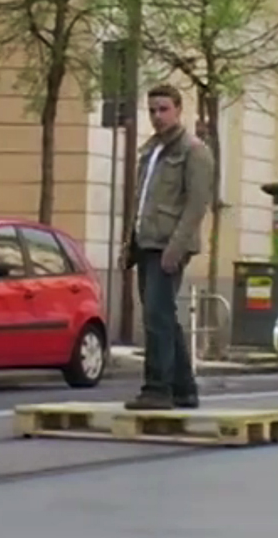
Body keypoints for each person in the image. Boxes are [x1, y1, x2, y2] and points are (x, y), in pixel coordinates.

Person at [118, 84, 214, 411]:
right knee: (163, 316)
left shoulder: (193, 150)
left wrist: (177, 246)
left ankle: (157, 388)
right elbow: (140, 200)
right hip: (146, 241)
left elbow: (197, 204)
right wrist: (129, 243)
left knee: (156, 316)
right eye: (153, 110)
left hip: (168, 244)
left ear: (178, 110)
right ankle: (184, 389)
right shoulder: (151, 150)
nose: (157, 116)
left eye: (164, 109)